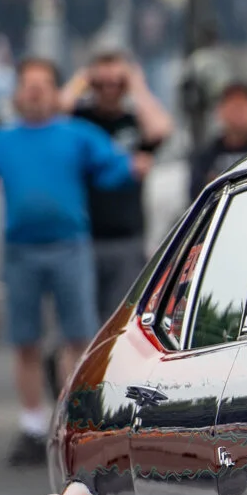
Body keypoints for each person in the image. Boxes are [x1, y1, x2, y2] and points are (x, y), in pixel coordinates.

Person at [0, 58, 135, 467]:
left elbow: (116, 169)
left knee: (78, 339)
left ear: (55, 93)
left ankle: (78, 423)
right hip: (21, 251)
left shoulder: (77, 135)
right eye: (28, 85)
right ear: (17, 93)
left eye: (42, 85)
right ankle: (32, 426)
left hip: (70, 246)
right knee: (26, 341)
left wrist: (132, 166)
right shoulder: (1, 141)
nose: (34, 92)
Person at [64, 49, 171, 316]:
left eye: (116, 83)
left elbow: (162, 128)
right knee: (82, 319)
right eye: (102, 83)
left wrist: (135, 84)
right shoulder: (79, 121)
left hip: (127, 235)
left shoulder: (133, 122)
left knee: (120, 318)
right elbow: (51, 114)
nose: (109, 89)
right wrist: (83, 79)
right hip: (82, 237)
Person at [189, 80, 247, 200]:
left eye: (244, 105)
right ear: (220, 111)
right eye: (234, 106)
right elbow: (196, 199)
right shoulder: (204, 158)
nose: (239, 112)